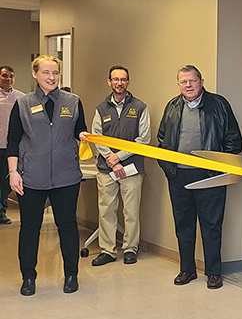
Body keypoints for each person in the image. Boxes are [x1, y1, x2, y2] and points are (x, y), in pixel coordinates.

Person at [7, 55, 87, 296]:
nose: (51, 77)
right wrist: (13, 172)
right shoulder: (22, 104)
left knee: (68, 226)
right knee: (30, 228)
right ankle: (28, 277)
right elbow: (12, 141)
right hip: (31, 176)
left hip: (66, 176)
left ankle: (71, 274)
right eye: (46, 73)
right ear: (35, 74)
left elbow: (80, 128)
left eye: (55, 73)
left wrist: (84, 135)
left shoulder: (72, 101)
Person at [157, 65, 242, 289]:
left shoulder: (219, 104)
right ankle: (187, 269)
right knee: (183, 225)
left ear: (201, 81)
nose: (188, 85)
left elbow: (234, 140)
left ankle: (213, 272)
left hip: (209, 177)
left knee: (211, 225)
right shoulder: (172, 107)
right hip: (179, 176)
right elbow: (162, 139)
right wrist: (168, 168)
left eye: (192, 81)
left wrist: (219, 167)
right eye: (184, 82)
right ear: (178, 85)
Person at [91, 66, 150, 266]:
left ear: (128, 82)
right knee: (106, 209)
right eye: (115, 79)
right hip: (106, 169)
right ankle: (108, 250)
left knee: (131, 211)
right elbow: (96, 137)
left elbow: (144, 139)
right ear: (109, 82)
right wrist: (110, 158)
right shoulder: (101, 108)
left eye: (123, 79)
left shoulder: (140, 107)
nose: (119, 83)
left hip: (132, 168)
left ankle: (130, 248)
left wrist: (119, 157)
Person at [0, 66, 24, 225]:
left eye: (11, 76)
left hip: (11, 148)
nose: (8, 79)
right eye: (4, 76)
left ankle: (2, 210)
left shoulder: (21, 98)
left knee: (5, 181)